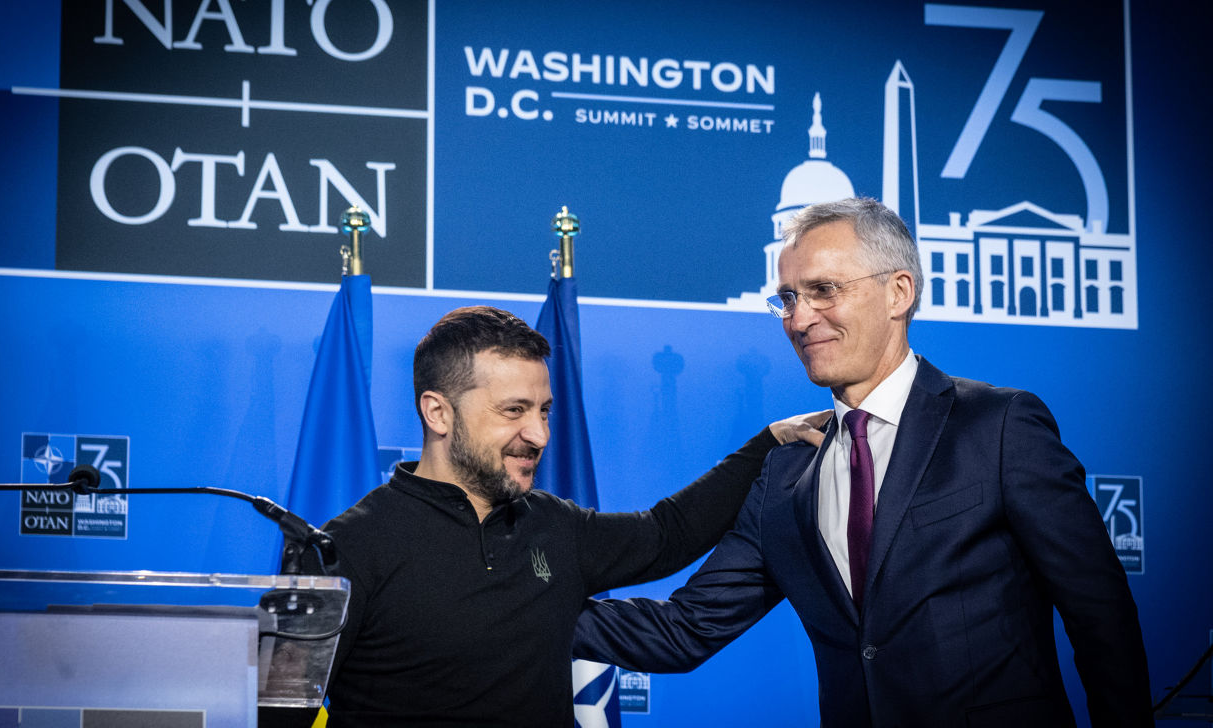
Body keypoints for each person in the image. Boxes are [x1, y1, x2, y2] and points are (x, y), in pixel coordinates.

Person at [572, 198, 1152, 727]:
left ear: (899, 292)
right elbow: (685, 631)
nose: (798, 320)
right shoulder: (783, 476)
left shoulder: (999, 426)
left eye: (825, 289)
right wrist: (504, 610)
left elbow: (1100, 615)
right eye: (790, 298)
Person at [263, 305, 825, 727]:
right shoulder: (342, 550)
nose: (538, 434)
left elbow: (668, 534)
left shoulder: (555, 526)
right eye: (514, 411)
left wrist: (767, 444)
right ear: (437, 412)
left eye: (544, 411)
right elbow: (277, 713)